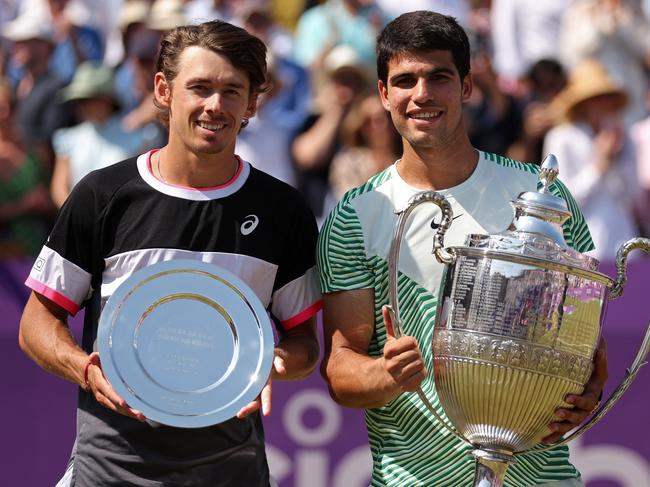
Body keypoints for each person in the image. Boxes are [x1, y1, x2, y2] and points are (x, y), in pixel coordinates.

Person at [19, 20, 321, 487]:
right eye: (199, 87)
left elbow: (305, 344)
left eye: (231, 91)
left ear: (253, 102)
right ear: (163, 89)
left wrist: (274, 362)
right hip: (108, 471)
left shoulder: (283, 212)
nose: (214, 106)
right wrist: (83, 368)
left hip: (232, 472)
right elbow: (35, 323)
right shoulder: (103, 195)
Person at [317, 11, 607, 487]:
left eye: (439, 77)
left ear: (467, 86)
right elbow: (340, 369)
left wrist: (588, 391)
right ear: (384, 94)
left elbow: (586, 344)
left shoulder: (542, 196)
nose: (422, 94)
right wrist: (387, 375)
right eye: (405, 80)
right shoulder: (354, 215)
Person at [544, 59, 642, 261]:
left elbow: (634, 194)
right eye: (597, 98)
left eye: (607, 98)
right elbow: (559, 200)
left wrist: (617, 155)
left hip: (625, 245)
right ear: (584, 103)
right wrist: (600, 164)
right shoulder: (562, 137)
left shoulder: (624, 138)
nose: (604, 105)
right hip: (583, 249)